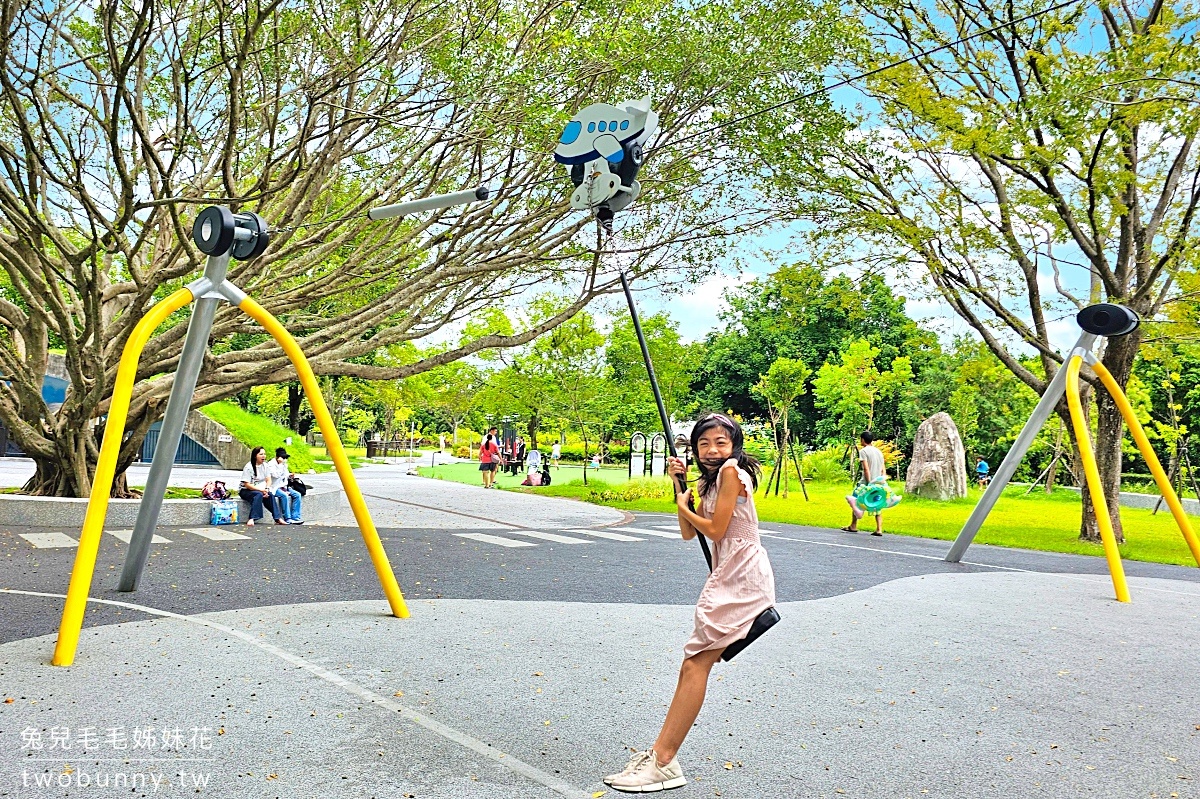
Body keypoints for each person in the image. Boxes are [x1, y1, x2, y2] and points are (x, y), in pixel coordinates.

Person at [603, 412, 774, 793]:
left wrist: (685, 507)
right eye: (704, 444)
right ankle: (662, 757)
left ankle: (664, 761)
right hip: (728, 573)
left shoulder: (731, 473)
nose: (712, 450)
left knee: (696, 664)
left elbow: (714, 529)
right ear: (695, 447)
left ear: (734, 446)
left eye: (721, 443)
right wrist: (679, 487)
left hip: (743, 576)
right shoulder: (709, 480)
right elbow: (687, 532)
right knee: (693, 664)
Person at [843, 431, 887, 537]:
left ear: (862, 440)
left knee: (855, 501)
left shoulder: (863, 451)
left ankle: (853, 525)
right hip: (878, 482)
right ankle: (879, 529)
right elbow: (883, 469)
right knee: (877, 504)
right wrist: (882, 482)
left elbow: (866, 469)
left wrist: (869, 483)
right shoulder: (878, 452)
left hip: (865, 483)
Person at [239, 446, 283, 526]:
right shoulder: (249, 467)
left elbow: (268, 480)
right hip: (246, 490)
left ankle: (277, 518)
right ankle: (252, 518)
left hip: (261, 489)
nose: (263, 456)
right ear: (255, 456)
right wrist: (261, 491)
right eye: (261, 454)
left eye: (264, 454)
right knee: (258, 494)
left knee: (270, 495)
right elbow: (247, 484)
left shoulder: (265, 466)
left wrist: (266, 489)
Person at [267, 447, 304, 525]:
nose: (284, 459)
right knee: (284, 496)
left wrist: (290, 476)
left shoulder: (284, 464)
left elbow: (285, 475)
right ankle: (287, 518)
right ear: (277, 457)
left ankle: (295, 516)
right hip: (274, 487)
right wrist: (281, 465)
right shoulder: (271, 465)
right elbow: (276, 475)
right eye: (283, 457)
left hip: (284, 486)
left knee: (297, 495)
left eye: (285, 458)